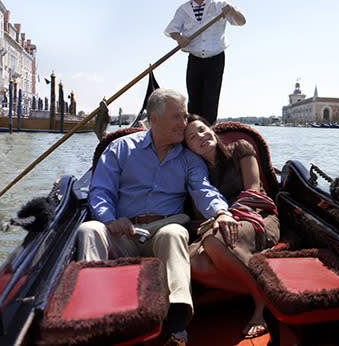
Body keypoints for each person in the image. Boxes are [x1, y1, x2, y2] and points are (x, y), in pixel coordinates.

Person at [76, 89, 240, 346]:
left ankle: (177, 328)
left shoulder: (188, 159)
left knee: (174, 233)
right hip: (123, 232)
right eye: (177, 117)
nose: (184, 124)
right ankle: (92, 317)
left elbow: (203, 190)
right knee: (89, 231)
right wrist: (110, 219)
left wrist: (222, 211)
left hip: (164, 231)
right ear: (154, 119)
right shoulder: (121, 148)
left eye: (185, 117)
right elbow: (100, 191)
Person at [183, 114, 280, 339]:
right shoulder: (196, 173)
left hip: (257, 215)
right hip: (220, 223)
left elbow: (254, 189)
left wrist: (228, 216)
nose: (200, 136)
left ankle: (260, 305)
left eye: (202, 129)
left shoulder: (240, 148)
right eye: (191, 137)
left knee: (213, 240)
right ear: (188, 148)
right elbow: (200, 213)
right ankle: (267, 293)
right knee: (191, 261)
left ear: (212, 130)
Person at [165, 0, 246, 125]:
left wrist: (233, 11)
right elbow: (172, 30)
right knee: (194, 98)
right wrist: (179, 38)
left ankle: (208, 130)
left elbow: (241, 21)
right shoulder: (183, 9)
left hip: (215, 58)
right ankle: (193, 130)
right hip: (194, 59)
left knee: (211, 98)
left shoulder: (221, 5)